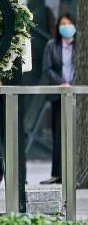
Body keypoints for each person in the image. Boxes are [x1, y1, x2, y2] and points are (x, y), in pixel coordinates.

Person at [41, 14, 76, 184]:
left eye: (69, 23)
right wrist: (62, 83)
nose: (66, 26)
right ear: (58, 27)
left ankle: (74, 172)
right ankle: (57, 173)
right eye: (63, 23)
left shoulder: (80, 46)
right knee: (58, 133)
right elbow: (47, 69)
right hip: (58, 93)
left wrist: (73, 84)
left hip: (77, 93)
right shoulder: (51, 45)